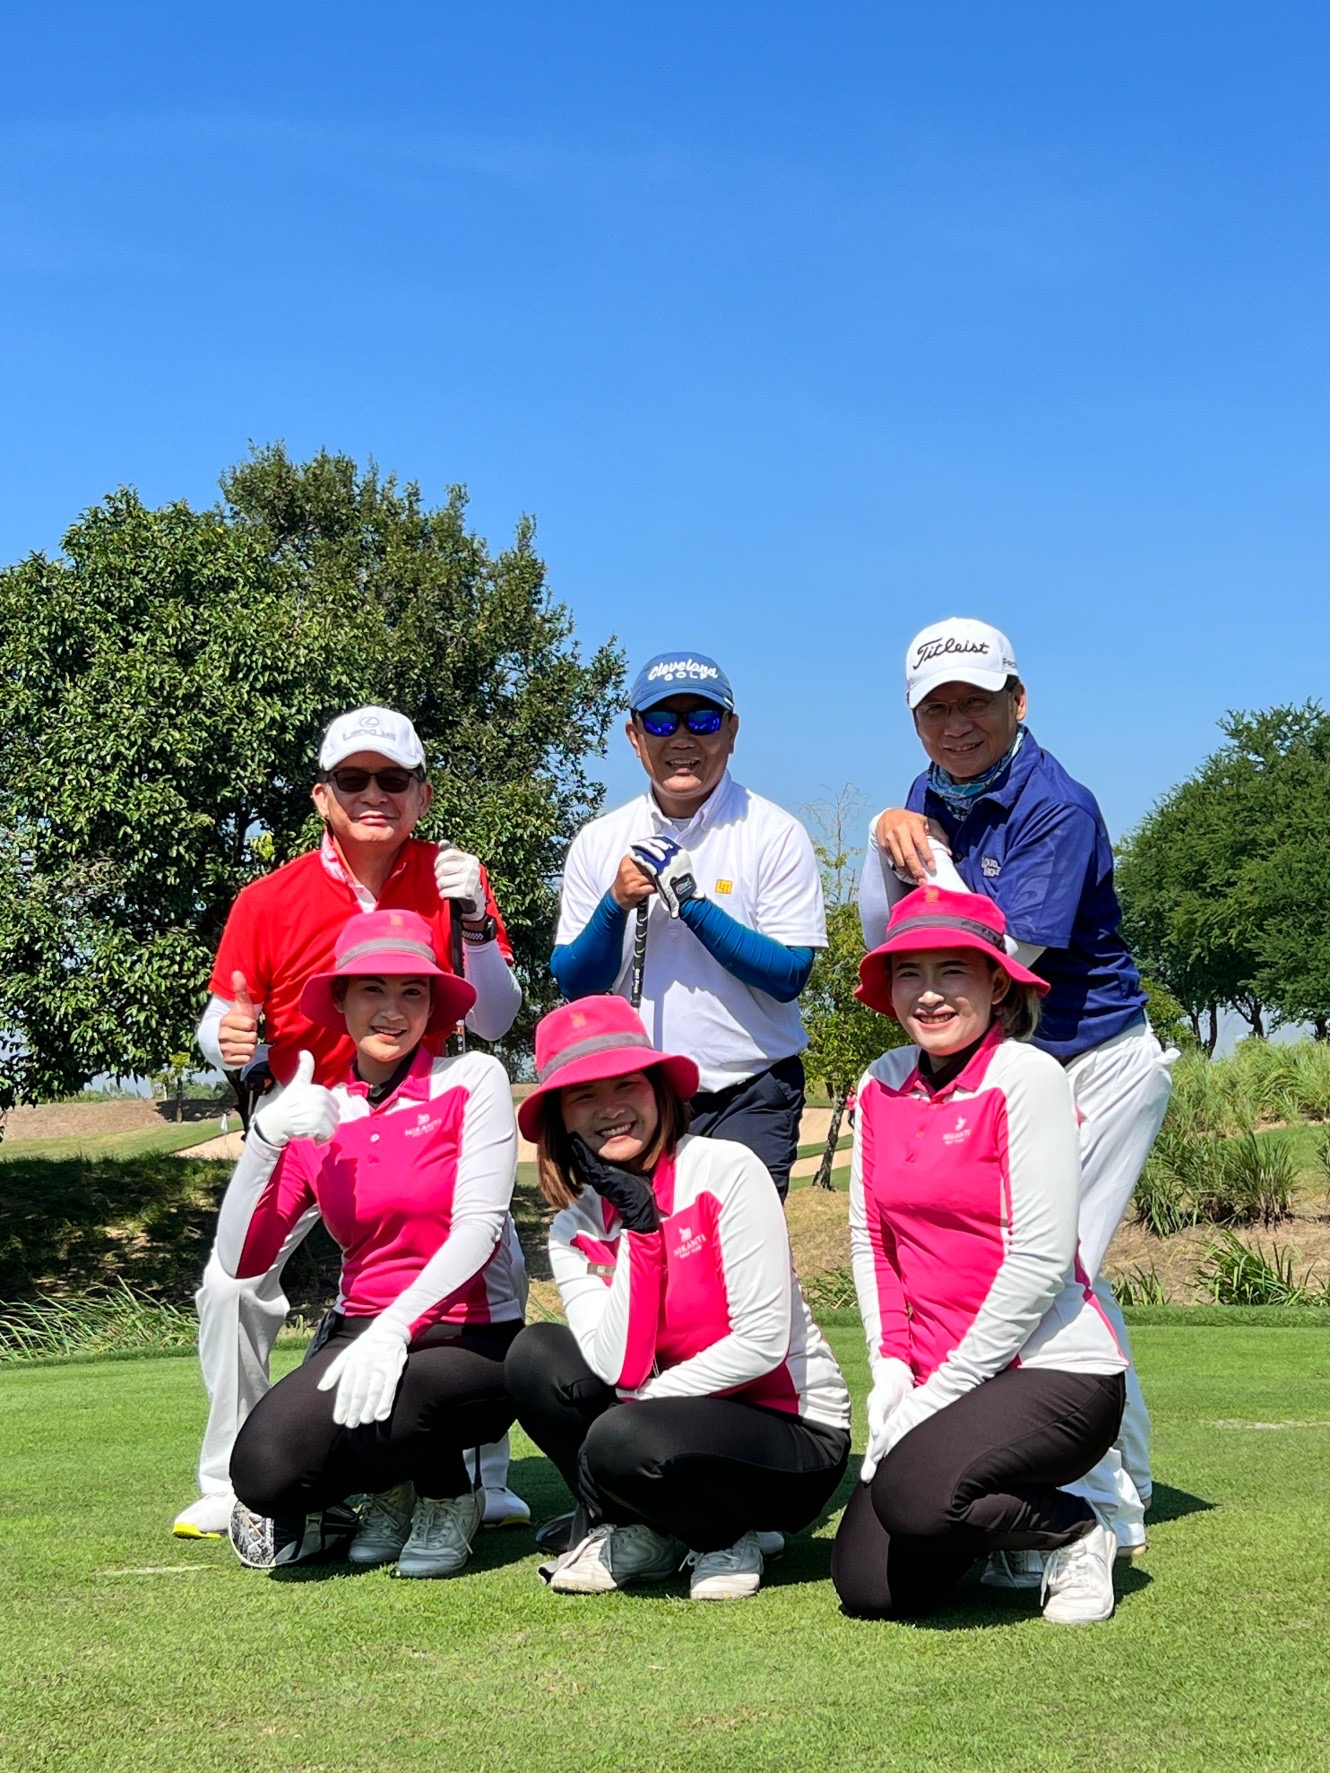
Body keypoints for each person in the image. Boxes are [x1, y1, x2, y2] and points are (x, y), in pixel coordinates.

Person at [857, 618, 1172, 1564]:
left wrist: (904, 841)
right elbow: (899, 928)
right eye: (936, 709)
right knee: (1067, 1267)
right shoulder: (928, 793)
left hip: (1095, 1057)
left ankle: (1106, 1495)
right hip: (1015, 1064)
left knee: (1057, 1262)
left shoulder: (1056, 805)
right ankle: (1116, 1471)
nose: (957, 725)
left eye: (976, 703)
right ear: (917, 721)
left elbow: (996, 962)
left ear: (1017, 701)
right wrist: (886, 837)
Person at [175, 704, 527, 1539]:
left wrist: (473, 919)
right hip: (310, 1125)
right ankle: (228, 1473)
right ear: (322, 796)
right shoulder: (268, 900)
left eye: (393, 779)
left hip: (427, 1118)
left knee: (488, 1265)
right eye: (354, 779)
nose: (375, 794)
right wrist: (220, 1039)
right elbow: (226, 1015)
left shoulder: (454, 876)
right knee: (232, 1283)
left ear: (422, 793)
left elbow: (499, 1018)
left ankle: (483, 1474)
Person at [831, 884, 1128, 1624]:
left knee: (914, 1493)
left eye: (952, 971)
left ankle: (1075, 1530)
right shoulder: (879, 1082)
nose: (928, 994)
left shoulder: (1028, 1077)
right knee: (872, 1585)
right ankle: (991, 1525)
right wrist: (893, 1370)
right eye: (909, 973)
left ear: (997, 981)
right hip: (940, 1374)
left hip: (1057, 1372)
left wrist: (937, 1397)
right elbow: (873, 1239)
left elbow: (1039, 1261)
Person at [504, 996, 851, 1600]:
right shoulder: (573, 1227)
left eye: (626, 1084)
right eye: (583, 1095)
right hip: (668, 1422)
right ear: (561, 1119)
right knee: (536, 1355)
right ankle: (648, 1527)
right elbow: (616, 1367)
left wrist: (638, 1406)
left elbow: (762, 1344)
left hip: (791, 1432)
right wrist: (640, 1231)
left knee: (622, 1435)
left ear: (659, 1090)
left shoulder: (727, 1168)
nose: (610, 1109)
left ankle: (721, 1534)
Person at [222, 908, 525, 1575]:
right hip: (359, 1329)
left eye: (412, 991)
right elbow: (241, 1259)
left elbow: (481, 1227)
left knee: (408, 1390)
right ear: (340, 1000)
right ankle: (388, 1485)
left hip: (467, 1336)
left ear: (432, 1004)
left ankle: (449, 1494)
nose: (393, 1009)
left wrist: (393, 1328)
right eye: (372, 989)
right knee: (262, 1471)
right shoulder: (321, 1112)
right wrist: (265, 1142)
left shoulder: (472, 1079)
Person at [553, 652, 826, 1201]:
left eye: (702, 721)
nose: (682, 738)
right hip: (636, 1098)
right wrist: (614, 904)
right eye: (660, 722)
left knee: (735, 1265)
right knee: (639, 1262)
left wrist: (692, 905)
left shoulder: (774, 832)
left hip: (746, 1091)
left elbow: (789, 974)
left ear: (731, 731)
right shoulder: (600, 839)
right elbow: (574, 981)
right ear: (634, 736)